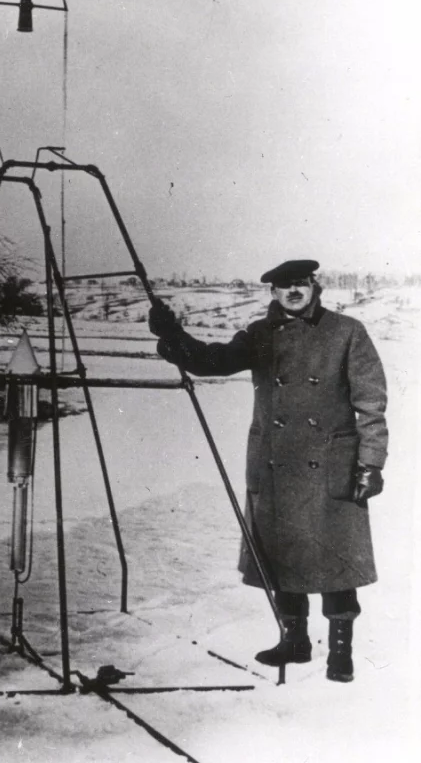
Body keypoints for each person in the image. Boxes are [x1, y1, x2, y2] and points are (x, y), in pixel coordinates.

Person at [149, 259, 387, 682]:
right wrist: (172, 335)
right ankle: (293, 642)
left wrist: (370, 464)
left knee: (335, 558)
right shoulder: (262, 334)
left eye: (300, 283)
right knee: (282, 553)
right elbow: (213, 361)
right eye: (284, 286)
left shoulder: (347, 332)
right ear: (273, 293)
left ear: (315, 286)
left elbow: (371, 404)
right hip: (275, 463)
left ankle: (340, 653)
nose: (293, 291)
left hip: (329, 464)